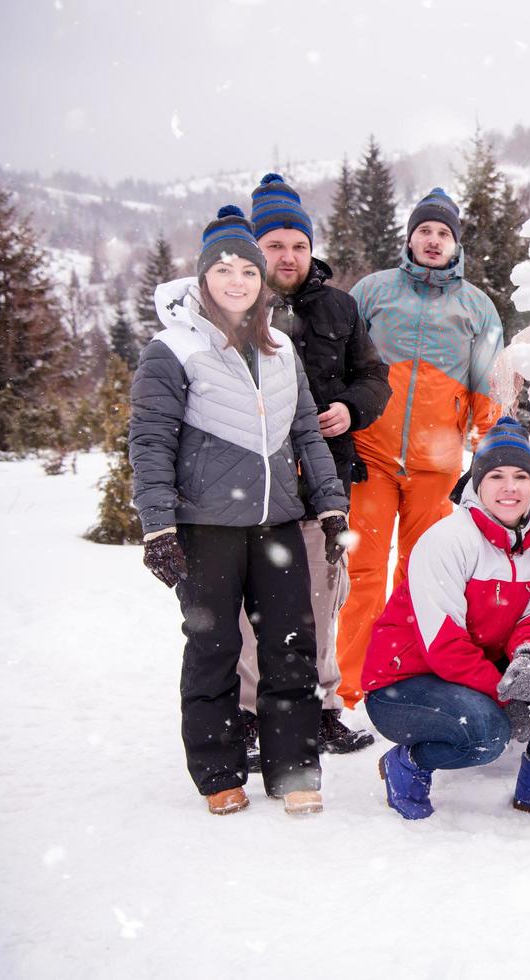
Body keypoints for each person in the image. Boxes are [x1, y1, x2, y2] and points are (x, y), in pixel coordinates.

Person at [129, 205, 350, 816]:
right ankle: (218, 772)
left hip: (277, 520)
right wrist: (157, 525)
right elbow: (150, 442)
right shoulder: (171, 351)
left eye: (248, 272)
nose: (237, 282)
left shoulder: (281, 349)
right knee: (214, 647)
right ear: (203, 280)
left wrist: (331, 508)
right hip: (205, 527)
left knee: (291, 645)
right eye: (223, 270)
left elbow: (307, 432)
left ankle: (294, 770)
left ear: (261, 282)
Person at [232, 173, 391, 768]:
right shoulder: (233, 309)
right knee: (252, 607)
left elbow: (376, 378)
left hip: (326, 479)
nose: (289, 256)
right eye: (275, 245)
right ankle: (248, 716)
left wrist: (351, 408)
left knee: (326, 596)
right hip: (252, 485)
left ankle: (324, 710)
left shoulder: (339, 307)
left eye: (298, 245)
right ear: (253, 251)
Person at [361, 417, 530, 820]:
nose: (509, 487)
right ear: (477, 482)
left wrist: (529, 657)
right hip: (405, 683)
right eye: (496, 475)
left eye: (521, 476)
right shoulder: (448, 540)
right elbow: (444, 645)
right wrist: (506, 696)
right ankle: (408, 761)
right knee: (487, 735)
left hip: (473, 667)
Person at [337, 187, 504, 710]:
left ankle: (400, 673)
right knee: (361, 568)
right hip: (371, 456)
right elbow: (341, 366)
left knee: (421, 572)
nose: (433, 241)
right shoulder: (372, 291)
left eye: (444, 234)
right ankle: (351, 682)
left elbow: (487, 386)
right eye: (425, 231)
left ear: (456, 246)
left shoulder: (476, 306)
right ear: (409, 238)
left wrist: (489, 455)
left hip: (437, 464)